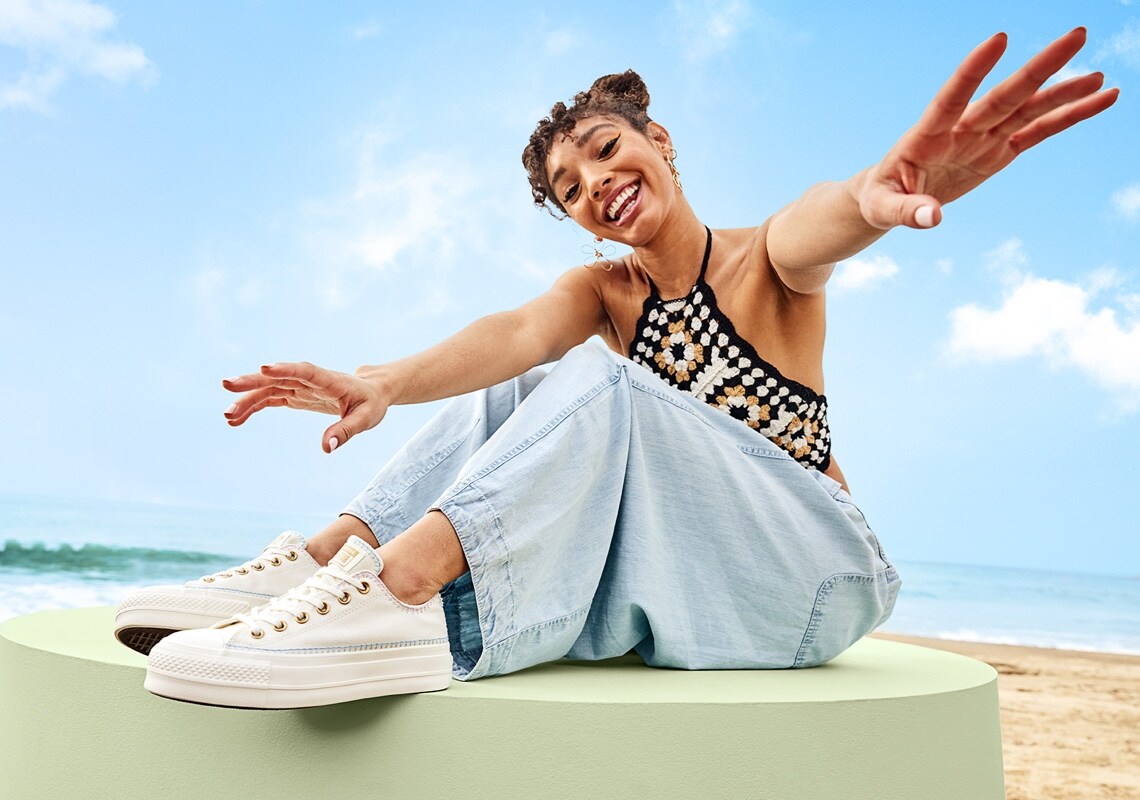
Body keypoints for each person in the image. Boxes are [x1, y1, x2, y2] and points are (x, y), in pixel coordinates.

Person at [114, 28, 1116, 709]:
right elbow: (510, 336)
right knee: (536, 379)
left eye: (606, 150)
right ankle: (341, 556)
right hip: (703, 574)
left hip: (823, 569)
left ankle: (406, 592)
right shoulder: (600, 297)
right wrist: (381, 381)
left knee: (606, 383)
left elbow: (829, 214)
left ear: (660, 143)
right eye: (571, 185)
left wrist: (875, 192)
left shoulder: (769, 257)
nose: (597, 182)